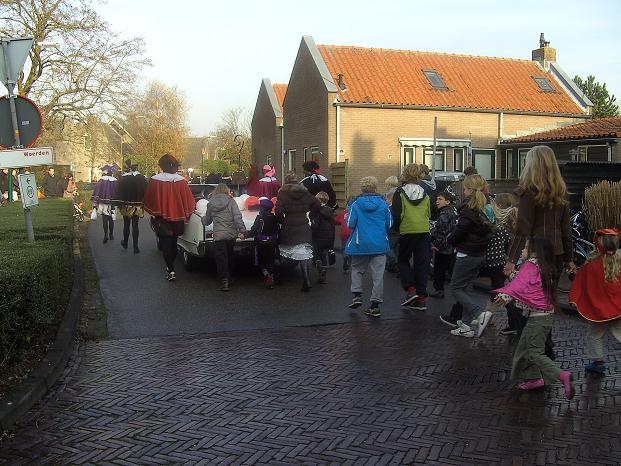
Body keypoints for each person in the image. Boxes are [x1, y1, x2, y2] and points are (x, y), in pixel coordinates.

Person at [504, 146, 575, 357]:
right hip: (557, 254)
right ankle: (546, 346)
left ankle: (535, 347)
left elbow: (522, 230)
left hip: (536, 255)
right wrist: (569, 259)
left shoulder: (529, 192)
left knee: (522, 302)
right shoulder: (560, 191)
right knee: (546, 301)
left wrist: (511, 259)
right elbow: (566, 229)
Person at [494, 236, 575, 399]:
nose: (522, 250)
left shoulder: (530, 265)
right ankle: (534, 378)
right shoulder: (545, 266)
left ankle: (561, 375)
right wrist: (512, 275)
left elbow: (521, 285)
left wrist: (505, 295)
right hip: (544, 316)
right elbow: (528, 282)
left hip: (538, 318)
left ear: (534, 251)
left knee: (534, 352)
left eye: (525, 247)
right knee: (524, 347)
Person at [440, 174, 494, 337]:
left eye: (464, 189)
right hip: (480, 253)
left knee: (455, 287)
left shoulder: (468, 208)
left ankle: (479, 314)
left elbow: (460, 230)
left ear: (470, 190)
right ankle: (466, 325)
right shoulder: (486, 206)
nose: (463, 192)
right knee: (466, 288)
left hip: (467, 253)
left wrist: (449, 239)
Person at [569, 229, 621, 375]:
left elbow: (581, 284)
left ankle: (598, 363)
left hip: (597, 310)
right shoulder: (619, 261)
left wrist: (574, 298)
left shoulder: (591, 265)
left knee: (594, 335)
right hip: (618, 307)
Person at [345, 176, 393, 317]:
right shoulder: (383, 204)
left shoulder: (355, 204)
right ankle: (375, 305)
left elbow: (350, 223)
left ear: (362, 188)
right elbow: (390, 223)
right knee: (378, 275)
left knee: (357, 269)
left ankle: (357, 295)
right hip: (379, 243)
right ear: (375, 187)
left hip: (360, 244)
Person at [143, 154, 196, 281]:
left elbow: (149, 198)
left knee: (166, 242)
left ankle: (170, 269)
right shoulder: (181, 181)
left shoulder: (154, 180)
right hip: (177, 217)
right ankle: (171, 267)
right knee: (174, 242)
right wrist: (188, 211)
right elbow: (188, 200)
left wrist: (153, 211)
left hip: (161, 217)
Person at [391, 164, 431, 311]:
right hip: (423, 230)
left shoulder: (400, 192)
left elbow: (397, 214)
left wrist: (396, 229)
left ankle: (411, 289)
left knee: (402, 260)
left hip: (407, 230)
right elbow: (429, 212)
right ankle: (421, 299)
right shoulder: (425, 192)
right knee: (421, 264)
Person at [275, 171, 321, 292]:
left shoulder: (282, 193)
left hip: (288, 226)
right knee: (303, 254)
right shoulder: (305, 192)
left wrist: (282, 220)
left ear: (286, 181)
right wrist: (311, 215)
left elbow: (278, 212)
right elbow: (317, 205)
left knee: (285, 252)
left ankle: (281, 277)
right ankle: (306, 279)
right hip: (303, 226)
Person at [480, 193, 518, 335]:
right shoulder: (510, 222)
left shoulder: (499, 222)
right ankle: (490, 317)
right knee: (499, 291)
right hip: (503, 261)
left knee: (501, 293)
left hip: (493, 262)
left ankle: (509, 322)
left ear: (499, 205)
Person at [202, 183, 246, 291]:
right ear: (227, 190)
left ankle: (224, 280)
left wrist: (202, 219)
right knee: (230, 255)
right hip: (231, 235)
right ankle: (230, 277)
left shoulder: (211, 203)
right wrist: (243, 231)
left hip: (219, 236)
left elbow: (207, 221)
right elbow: (237, 217)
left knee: (221, 258)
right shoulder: (231, 201)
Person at [114, 160, 148, 254]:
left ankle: (125, 243)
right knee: (135, 225)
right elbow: (146, 191)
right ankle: (135, 247)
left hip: (126, 205)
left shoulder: (123, 178)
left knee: (126, 224)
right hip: (138, 206)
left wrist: (118, 204)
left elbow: (119, 192)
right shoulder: (141, 178)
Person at [429, 191, 458, 298]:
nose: (437, 201)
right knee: (450, 268)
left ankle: (439, 290)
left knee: (439, 269)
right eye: (437, 199)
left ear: (447, 201)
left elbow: (440, 231)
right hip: (450, 246)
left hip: (443, 246)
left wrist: (436, 243)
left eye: (440, 199)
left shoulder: (444, 214)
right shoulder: (451, 211)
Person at [246, 197, 280, 289]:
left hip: (261, 243)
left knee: (261, 261)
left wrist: (245, 235)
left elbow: (254, 230)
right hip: (272, 242)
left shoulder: (260, 218)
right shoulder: (275, 218)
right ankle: (272, 276)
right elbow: (278, 230)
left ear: (263, 209)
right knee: (270, 260)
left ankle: (266, 275)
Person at [311, 191, 336, 284]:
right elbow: (333, 226)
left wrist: (312, 230)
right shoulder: (330, 211)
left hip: (318, 237)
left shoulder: (317, 211)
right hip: (328, 237)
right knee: (324, 254)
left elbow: (316, 225)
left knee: (317, 254)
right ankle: (324, 269)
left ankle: (319, 266)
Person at [92, 165, 118, 244]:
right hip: (113, 203)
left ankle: (105, 234)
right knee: (111, 219)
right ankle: (111, 234)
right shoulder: (115, 181)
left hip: (103, 203)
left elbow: (97, 192)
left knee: (105, 219)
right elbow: (118, 192)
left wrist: (95, 203)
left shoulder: (101, 180)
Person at [384, 176, 400, 273]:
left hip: (391, 228)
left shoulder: (389, 194)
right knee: (396, 247)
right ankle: (396, 265)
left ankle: (393, 263)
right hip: (399, 227)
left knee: (388, 247)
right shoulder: (400, 192)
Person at [334, 197, 354, 274]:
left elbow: (336, 221)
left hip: (344, 234)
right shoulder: (356, 213)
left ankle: (345, 257)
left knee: (344, 248)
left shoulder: (343, 213)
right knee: (351, 249)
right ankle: (348, 264)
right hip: (352, 233)